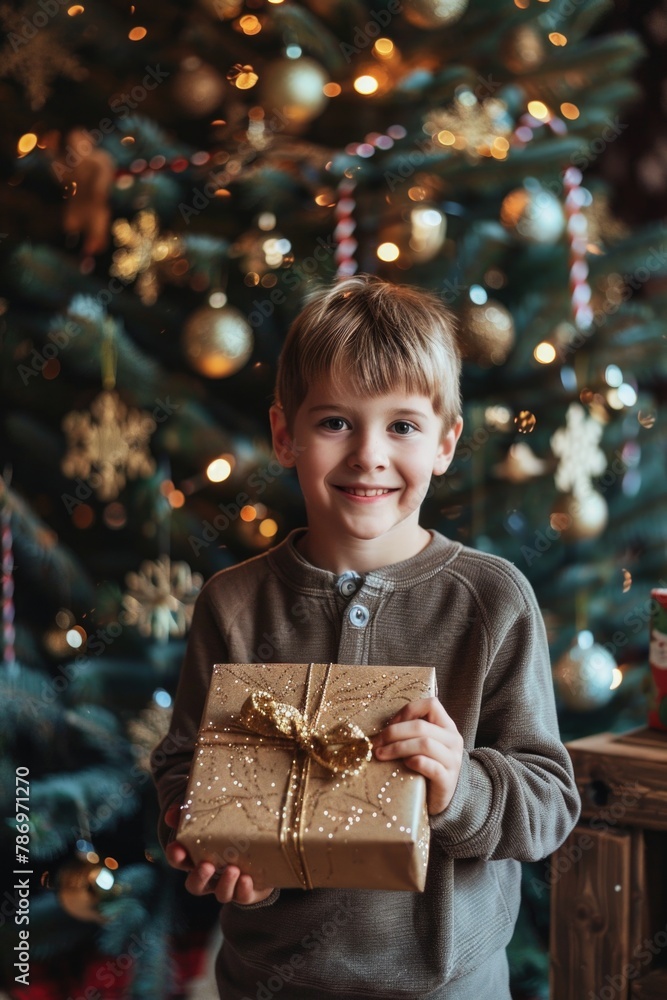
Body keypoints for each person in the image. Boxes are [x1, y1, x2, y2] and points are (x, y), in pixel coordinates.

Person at [151, 274, 581, 1000]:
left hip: (448, 986)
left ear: (446, 443)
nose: (368, 455)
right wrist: (222, 856)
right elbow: (184, 765)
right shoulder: (233, 603)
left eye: (402, 426)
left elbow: (549, 803)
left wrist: (459, 786)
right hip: (270, 982)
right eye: (335, 423)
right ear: (284, 435)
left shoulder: (491, 600)